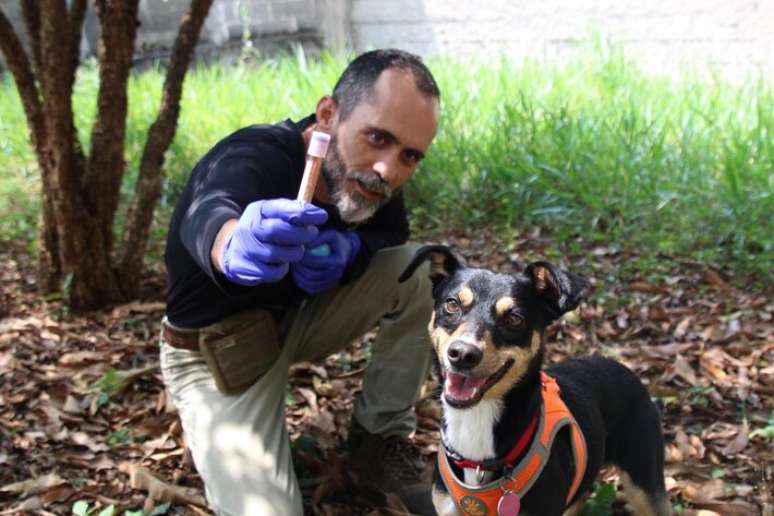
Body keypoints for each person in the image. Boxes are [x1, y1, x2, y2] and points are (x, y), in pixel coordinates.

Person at [159, 48, 441, 515]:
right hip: (218, 352)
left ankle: (378, 445)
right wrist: (233, 246)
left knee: (421, 272)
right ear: (329, 113)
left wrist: (352, 254)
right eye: (377, 137)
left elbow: (391, 234)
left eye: (410, 155)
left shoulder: (374, 181)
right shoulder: (256, 155)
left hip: (299, 320)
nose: (389, 169)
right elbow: (209, 209)